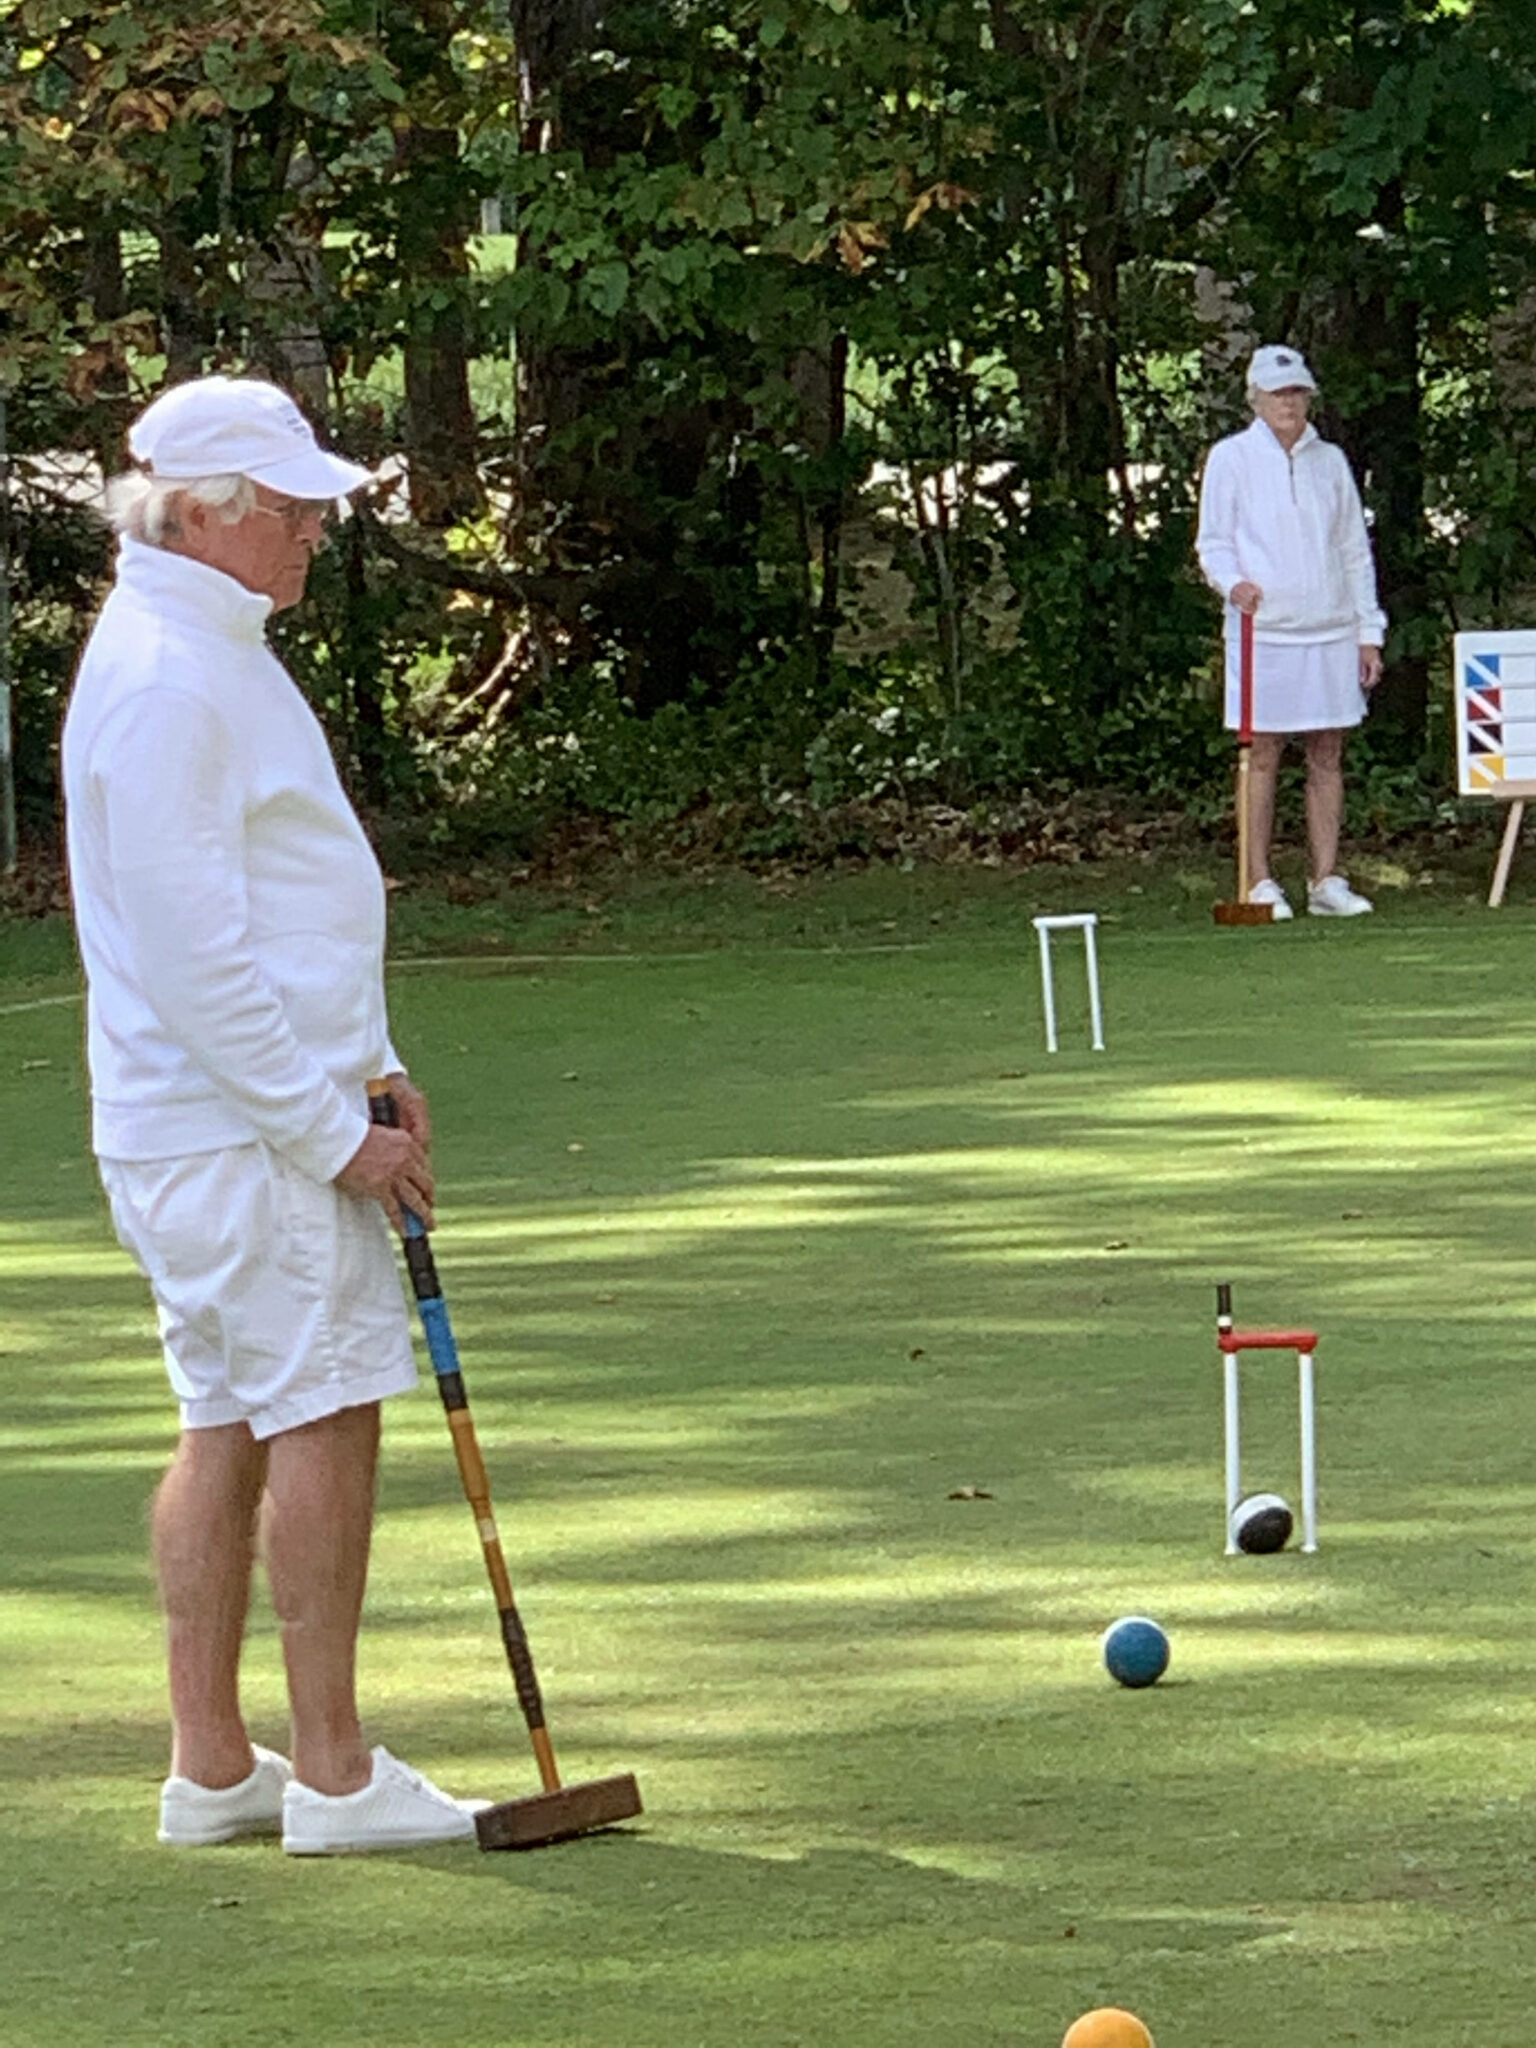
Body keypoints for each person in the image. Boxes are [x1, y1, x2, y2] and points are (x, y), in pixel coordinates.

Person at [62, 375, 486, 1853]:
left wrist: (370, 1062)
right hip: (241, 1137)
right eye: (293, 506)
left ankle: (214, 1765)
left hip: (235, 1120)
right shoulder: (170, 678)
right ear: (205, 514)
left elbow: (282, 904)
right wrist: (332, 1135)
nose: (316, 528)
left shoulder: (204, 643)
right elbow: (197, 959)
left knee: (229, 1414)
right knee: (323, 1406)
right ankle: (336, 1775)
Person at [1196, 343, 1387, 919]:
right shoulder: (1231, 458)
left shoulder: (1330, 461)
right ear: (1255, 398)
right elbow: (1213, 542)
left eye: (1298, 392)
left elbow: (1354, 549)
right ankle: (1259, 881)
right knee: (1263, 754)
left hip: (1330, 629)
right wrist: (1233, 584)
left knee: (1328, 752)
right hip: (1265, 632)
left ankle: (1325, 880)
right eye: (1279, 393)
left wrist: (1368, 631)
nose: (1290, 403)